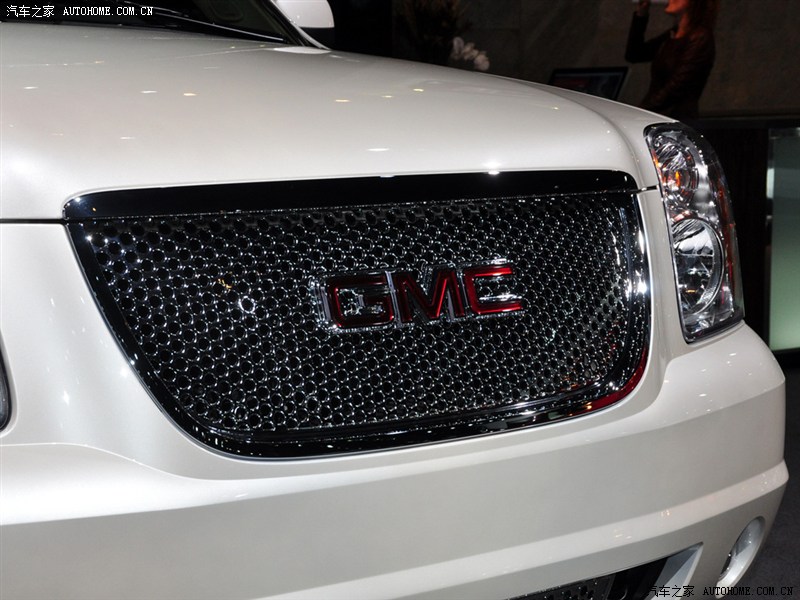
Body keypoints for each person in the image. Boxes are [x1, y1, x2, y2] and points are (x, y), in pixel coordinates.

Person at [625, 0, 718, 119]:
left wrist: (640, 111)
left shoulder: (700, 38)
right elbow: (634, 54)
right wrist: (641, 14)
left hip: (675, 118)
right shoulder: (673, 34)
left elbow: (676, 87)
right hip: (656, 115)